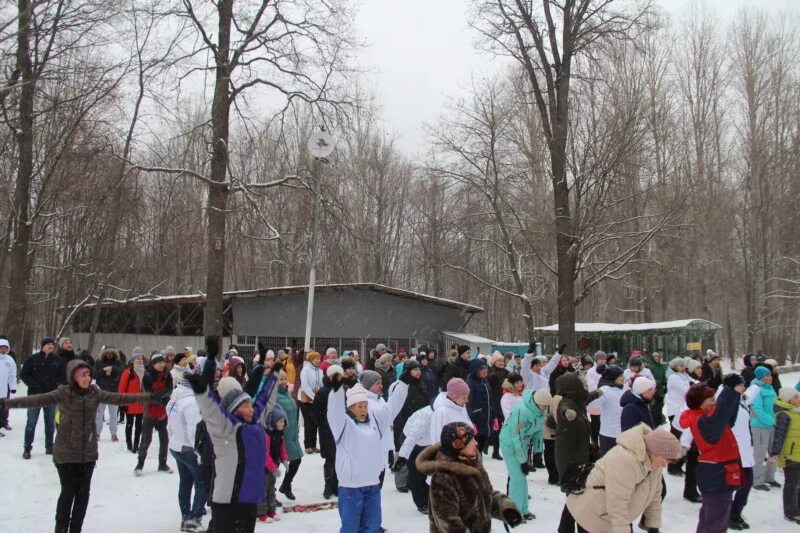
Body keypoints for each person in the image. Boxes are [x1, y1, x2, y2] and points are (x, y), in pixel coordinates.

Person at [0, 359, 159, 532]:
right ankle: (61, 529)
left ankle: (76, 529)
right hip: (65, 454)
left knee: (83, 496)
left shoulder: (94, 393)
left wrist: (148, 397)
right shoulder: (63, 392)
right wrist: (6, 403)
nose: (87, 378)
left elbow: (119, 398)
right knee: (68, 493)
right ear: (74, 377)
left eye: (89, 375)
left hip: (87, 453)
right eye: (83, 375)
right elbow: (35, 400)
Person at [184, 337, 279, 533]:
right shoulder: (225, 427)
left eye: (250, 404)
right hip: (229, 498)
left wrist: (273, 375)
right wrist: (202, 391)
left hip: (249, 498)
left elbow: (263, 398)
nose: (251, 408)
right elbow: (211, 410)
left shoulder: (254, 422)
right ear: (234, 407)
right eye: (246, 405)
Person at [328, 373, 408, 533]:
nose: (364, 409)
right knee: (351, 527)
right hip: (351, 486)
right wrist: (336, 391)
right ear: (350, 407)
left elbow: (392, 408)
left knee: (372, 525)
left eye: (365, 405)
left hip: (372, 483)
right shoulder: (343, 424)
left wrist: (404, 385)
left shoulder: (375, 421)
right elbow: (334, 411)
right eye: (359, 406)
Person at [563, 426, 681, 533]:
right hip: (592, 514)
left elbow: (655, 495)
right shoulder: (624, 460)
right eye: (666, 459)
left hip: (610, 516)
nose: (665, 465)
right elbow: (618, 503)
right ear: (654, 452)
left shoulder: (654, 464)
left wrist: (653, 526)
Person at [416, 422, 523, 532]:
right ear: (458, 445)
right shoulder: (443, 477)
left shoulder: (472, 463)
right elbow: (447, 521)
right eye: (471, 441)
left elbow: (485, 494)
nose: (476, 443)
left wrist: (506, 509)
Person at [680, 376, 745, 533]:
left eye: (714, 398)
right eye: (709, 399)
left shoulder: (706, 418)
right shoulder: (702, 420)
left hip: (719, 474)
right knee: (716, 523)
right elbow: (720, 416)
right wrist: (729, 391)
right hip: (716, 475)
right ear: (698, 402)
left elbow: (727, 418)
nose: (714, 402)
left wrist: (735, 394)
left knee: (710, 519)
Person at [554, 372, 601, 533]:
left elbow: (586, 398)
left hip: (581, 458)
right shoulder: (567, 404)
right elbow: (563, 409)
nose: (585, 385)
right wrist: (568, 414)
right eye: (582, 383)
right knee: (579, 500)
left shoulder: (578, 401)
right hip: (571, 462)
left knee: (577, 500)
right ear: (573, 387)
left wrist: (597, 393)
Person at [500, 388, 548, 522]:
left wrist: (538, 452)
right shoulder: (522, 411)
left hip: (522, 444)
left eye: (546, 406)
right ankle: (513, 512)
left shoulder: (539, 411)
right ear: (537, 402)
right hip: (510, 443)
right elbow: (517, 437)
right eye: (544, 406)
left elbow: (538, 431)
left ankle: (524, 510)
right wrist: (523, 461)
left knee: (522, 477)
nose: (545, 409)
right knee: (517, 478)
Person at [166, 371, 206, 532]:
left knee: (186, 482)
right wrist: (199, 452)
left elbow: (169, 424)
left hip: (176, 446)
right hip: (188, 449)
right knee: (202, 482)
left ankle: (185, 515)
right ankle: (194, 518)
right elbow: (193, 429)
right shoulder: (191, 403)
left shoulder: (175, 398)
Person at [19, 337, 61, 459]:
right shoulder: (32, 359)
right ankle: (27, 448)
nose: (50, 346)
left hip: (51, 396)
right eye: (48, 344)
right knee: (31, 422)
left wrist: (57, 385)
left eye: (52, 344)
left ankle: (49, 446)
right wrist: (34, 385)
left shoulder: (56, 360)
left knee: (50, 423)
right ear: (42, 346)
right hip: (35, 396)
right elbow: (23, 374)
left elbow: (60, 376)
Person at [135, 352, 173, 475]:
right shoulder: (147, 376)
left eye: (162, 362)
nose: (161, 365)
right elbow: (148, 393)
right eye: (158, 363)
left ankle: (162, 464)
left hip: (163, 411)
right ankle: (139, 464)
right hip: (150, 410)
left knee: (164, 439)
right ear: (153, 364)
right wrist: (159, 397)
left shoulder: (167, 375)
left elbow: (169, 389)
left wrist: (162, 397)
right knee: (146, 439)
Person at [729, 376, 756, 530]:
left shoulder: (742, 401)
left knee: (747, 484)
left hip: (745, 450)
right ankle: (729, 514)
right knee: (734, 485)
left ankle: (736, 512)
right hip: (734, 451)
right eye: (740, 385)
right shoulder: (728, 403)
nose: (743, 387)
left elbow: (754, 391)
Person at [771, 387, 800, 525]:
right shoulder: (784, 414)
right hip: (790, 456)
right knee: (791, 484)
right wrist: (775, 453)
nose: (798, 398)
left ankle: (798, 508)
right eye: (795, 397)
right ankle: (790, 511)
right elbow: (779, 435)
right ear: (788, 399)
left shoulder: (798, 412)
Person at [315, 365, 344, 499]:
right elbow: (315, 412)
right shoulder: (323, 391)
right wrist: (322, 423)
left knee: (339, 458)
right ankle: (328, 485)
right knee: (330, 458)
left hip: (341, 430)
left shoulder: (344, 390)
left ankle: (337, 485)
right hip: (326, 430)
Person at [748, 365, 778, 490]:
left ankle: (769, 477)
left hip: (772, 425)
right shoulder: (755, 389)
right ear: (760, 377)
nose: (769, 377)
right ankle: (757, 480)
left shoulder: (770, 388)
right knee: (759, 453)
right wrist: (770, 421)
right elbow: (757, 409)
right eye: (766, 375)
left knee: (774, 452)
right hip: (760, 426)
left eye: (770, 375)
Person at [276, 370, 303, 502]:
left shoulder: (287, 394)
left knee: (296, 459)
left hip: (291, 433)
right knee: (274, 465)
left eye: (285, 378)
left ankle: (286, 484)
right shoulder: (273, 396)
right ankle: (270, 494)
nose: (284, 381)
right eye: (280, 379)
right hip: (280, 435)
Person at [665, 356, 695, 476]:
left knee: (684, 438)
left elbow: (694, 383)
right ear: (675, 367)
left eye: (683, 365)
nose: (683, 368)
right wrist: (693, 386)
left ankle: (678, 464)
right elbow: (686, 389)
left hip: (683, 411)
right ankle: (672, 466)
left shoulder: (684, 376)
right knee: (677, 439)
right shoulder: (673, 377)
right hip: (675, 411)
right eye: (680, 366)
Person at [258, 407, 288, 523]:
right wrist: (273, 468)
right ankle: (261, 513)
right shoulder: (267, 436)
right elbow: (264, 455)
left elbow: (282, 449)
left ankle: (271, 510)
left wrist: (284, 460)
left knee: (271, 489)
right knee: (263, 490)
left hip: (273, 467)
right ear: (274, 422)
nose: (283, 423)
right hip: (263, 469)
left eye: (283, 421)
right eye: (280, 421)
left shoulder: (280, 435)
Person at [588, 365, 625, 456]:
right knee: (608, 463)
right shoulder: (605, 390)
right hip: (608, 434)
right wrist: (593, 395)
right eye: (620, 376)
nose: (623, 378)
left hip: (623, 433)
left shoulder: (623, 389)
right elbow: (591, 403)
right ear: (613, 377)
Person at [94, 347, 124, 442]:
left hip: (113, 391)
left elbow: (122, 372)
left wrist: (112, 369)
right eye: (107, 353)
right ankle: (97, 433)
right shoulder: (99, 362)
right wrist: (104, 370)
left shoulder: (118, 362)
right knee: (99, 414)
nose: (109, 354)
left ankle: (114, 433)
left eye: (111, 353)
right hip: (101, 391)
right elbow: (94, 374)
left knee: (113, 415)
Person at [118, 352, 146, 453]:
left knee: (139, 425)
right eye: (137, 358)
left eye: (141, 358)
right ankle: (129, 444)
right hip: (130, 402)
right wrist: (122, 403)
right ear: (132, 361)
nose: (140, 360)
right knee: (129, 424)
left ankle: (136, 445)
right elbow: (122, 388)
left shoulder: (145, 372)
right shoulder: (128, 372)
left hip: (142, 403)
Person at [466, 358, 493, 454]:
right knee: (475, 448)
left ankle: (478, 464)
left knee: (480, 447)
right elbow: (467, 403)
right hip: (477, 420)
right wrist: (471, 421)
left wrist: (494, 417)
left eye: (485, 368)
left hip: (486, 420)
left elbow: (490, 401)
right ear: (475, 369)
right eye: (481, 368)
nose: (485, 370)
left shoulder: (485, 382)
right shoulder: (470, 383)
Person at [299, 351, 323, 453]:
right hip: (307, 400)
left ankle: (314, 444)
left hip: (316, 401)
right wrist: (313, 397)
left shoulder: (320, 371)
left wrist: (320, 396)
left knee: (315, 423)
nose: (318, 360)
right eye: (315, 358)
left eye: (319, 358)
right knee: (308, 423)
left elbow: (322, 384)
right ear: (311, 359)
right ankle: (307, 445)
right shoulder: (306, 370)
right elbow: (305, 386)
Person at [645, 351, 667, 426]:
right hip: (653, 390)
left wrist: (665, 384)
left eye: (658, 356)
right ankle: (654, 423)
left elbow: (664, 377)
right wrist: (657, 382)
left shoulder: (661, 366)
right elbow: (650, 378)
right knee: (654, 407)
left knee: (660, 406)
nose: (657, 357)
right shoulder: (650, 367)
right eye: (655, 356)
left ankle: (659, 420)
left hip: (660, 390)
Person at [0, 338, 17, 435]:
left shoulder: (10, 360)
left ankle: (4, 422)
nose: (3, 350)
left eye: (5, 348)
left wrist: (13, 386)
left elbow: (12, 375)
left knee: (5, 407)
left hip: (4, 388)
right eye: (1, 348)